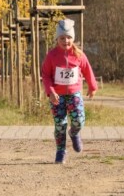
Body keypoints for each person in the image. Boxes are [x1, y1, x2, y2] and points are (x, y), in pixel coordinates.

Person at [41, 18, 97, 164]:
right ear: (57, 39)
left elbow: (87, 70)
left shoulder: (79, 55)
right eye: (62, 38)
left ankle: (74, 133)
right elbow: (45, 75)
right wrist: (50, 91)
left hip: (74, 94)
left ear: (73, 38)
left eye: (68, 38)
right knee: (60, 124)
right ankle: (61, 151)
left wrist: (92, 86)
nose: (65, 41)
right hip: (57, 96)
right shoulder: (51, 56)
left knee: (78, 120)